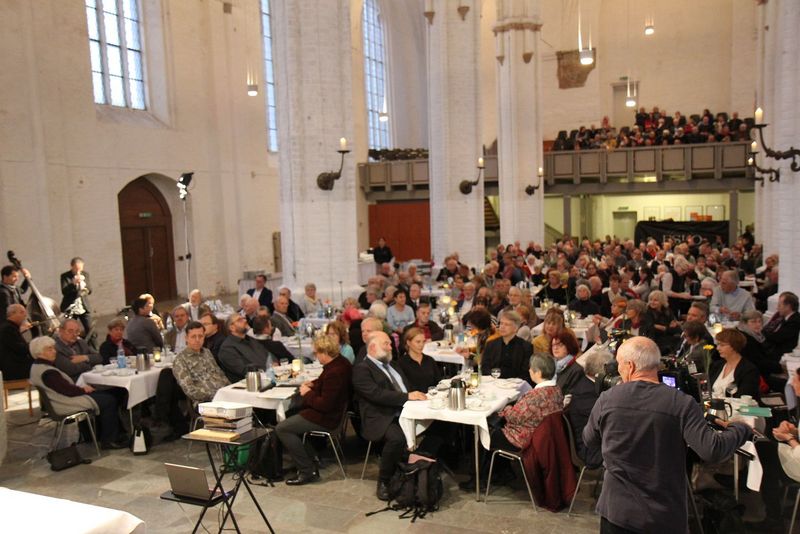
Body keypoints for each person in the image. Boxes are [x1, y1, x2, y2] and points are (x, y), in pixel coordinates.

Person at [583, 336, 752, 534]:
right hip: (663, 513)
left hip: (617, 512)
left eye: (619, 364)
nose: (618, 371)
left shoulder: (607, 399)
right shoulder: (682, 403)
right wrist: (740, 428)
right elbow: (713, 449)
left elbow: (589, 439)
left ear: (630, 366)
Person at [352, 331, 427, 500]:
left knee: (440, 423)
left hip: (406, 410)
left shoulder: (393, 365)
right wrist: (407, 397)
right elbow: (376, 394)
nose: (390, 347)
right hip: (381, 415)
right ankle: (384, 481)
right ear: (373, 347)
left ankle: (417, 465)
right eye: (386, 344)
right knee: (397, 438)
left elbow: (407, 387)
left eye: (390, 344)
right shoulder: (362, 369)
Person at [275, 335, 352, 486]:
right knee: (290, 415)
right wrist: (313, 384)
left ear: (325, 352)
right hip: (334, 413)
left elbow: (325, 404)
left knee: (282, 428)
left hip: (327, 418)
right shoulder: (341, 362)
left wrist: (307, 393)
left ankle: (306, 470)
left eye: (316, 353)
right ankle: (311, 458)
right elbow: (326, 384)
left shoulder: (334, 372)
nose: (315, 356)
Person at [29, 336, 127, 450]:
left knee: (106, 394)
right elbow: (67, 390)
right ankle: (109, 440)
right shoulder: (48, 372)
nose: (54, 351)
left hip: (60, 400)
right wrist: (83, 390)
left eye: (53, 348)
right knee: (109, 400)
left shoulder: (37, 366)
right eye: (49, 349)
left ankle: (96, 434)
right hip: (64, 403)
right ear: (39, 353)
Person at [564, 349, 614, 468]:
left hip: (600, 441)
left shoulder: (588, 384)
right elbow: (609, 420)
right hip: (592, 451)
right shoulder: (585, 395)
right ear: (603, 374)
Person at [172, 321, 230, 403]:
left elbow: (220, 374)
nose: (197, 340)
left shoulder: (207, 352)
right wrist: (216, 395)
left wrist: (230, 389)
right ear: (186, 338)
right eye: (193, 337)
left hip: (223, 395)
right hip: (205, 402)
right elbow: (190, 391)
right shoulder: (180, 360)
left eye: (200, 336)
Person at [218, 314, 275, 382]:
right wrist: (267, 367)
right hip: (251, 383)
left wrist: (273, 363)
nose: (245, 321)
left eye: (244, 318)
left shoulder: (251, 340)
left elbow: (267, 354)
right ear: (232, 327)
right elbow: (243, 370)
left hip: (269, 376)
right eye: (240, 320)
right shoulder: (227, 349)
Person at [480, 311, 534, 383]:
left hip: (516, 384)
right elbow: (485, 368)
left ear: (515, 328)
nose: (502, 327)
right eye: (501, 323)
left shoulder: (526, 347)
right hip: (494, 382)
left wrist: (512, 382)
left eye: (507, 324)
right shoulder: (491, 344)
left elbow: (526, 372)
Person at [708, 328, 760, 399]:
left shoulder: (749, 370)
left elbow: (744, 397)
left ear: (734, 346)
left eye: (722, 345)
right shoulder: (716, 366)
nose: (718, 348)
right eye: (718, 344)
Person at [397, 327, 442, 392]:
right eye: (418, 342)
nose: (421, 345)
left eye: (423, 341)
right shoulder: (401, 364)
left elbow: (438, 382)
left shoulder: (430, 360)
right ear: (408, 343)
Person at [763, 291, 800, 361]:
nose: (777, 308)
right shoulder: (782, 317)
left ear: (788, 306)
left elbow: (777, 337)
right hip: (774, 349)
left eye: (779, 305)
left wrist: (760, 332)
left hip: (782, 354)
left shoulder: (795, 321)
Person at [59, 257, 92, 335]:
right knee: (71, 330)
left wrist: (85, 289)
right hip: (71, 307)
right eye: (76, 269)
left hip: (83, 306)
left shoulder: (85, 274)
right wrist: (73, 284)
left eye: (80, 269)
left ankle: (92, 343)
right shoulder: (65, 276)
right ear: (72, 267)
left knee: (90, 330)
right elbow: (64, 291)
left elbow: (90, 289)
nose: (78, 271)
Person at [641, 290, 681, 355]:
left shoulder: (667, 311)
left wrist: (664, 328)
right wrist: (667, 328)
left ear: (662, 301)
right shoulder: (647, 312)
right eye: (650, 300)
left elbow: (676, 329)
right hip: (655, 339)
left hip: (668, 338)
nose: (652, 302)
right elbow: (650, 328)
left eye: (655, 300)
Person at [0, 304, 34, 379]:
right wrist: (34, 345)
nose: (25, 315)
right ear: (12, 313)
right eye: (22, 312)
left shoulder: (11, 327)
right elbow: (19, 348)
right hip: (14, 369)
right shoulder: (8, 329)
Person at [551, 330, 583, 396]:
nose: (555, 348)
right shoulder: (551, 365)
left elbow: (570, 396)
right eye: (553, 345)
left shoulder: (576, 370)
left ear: (569, 346)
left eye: (560, 345)